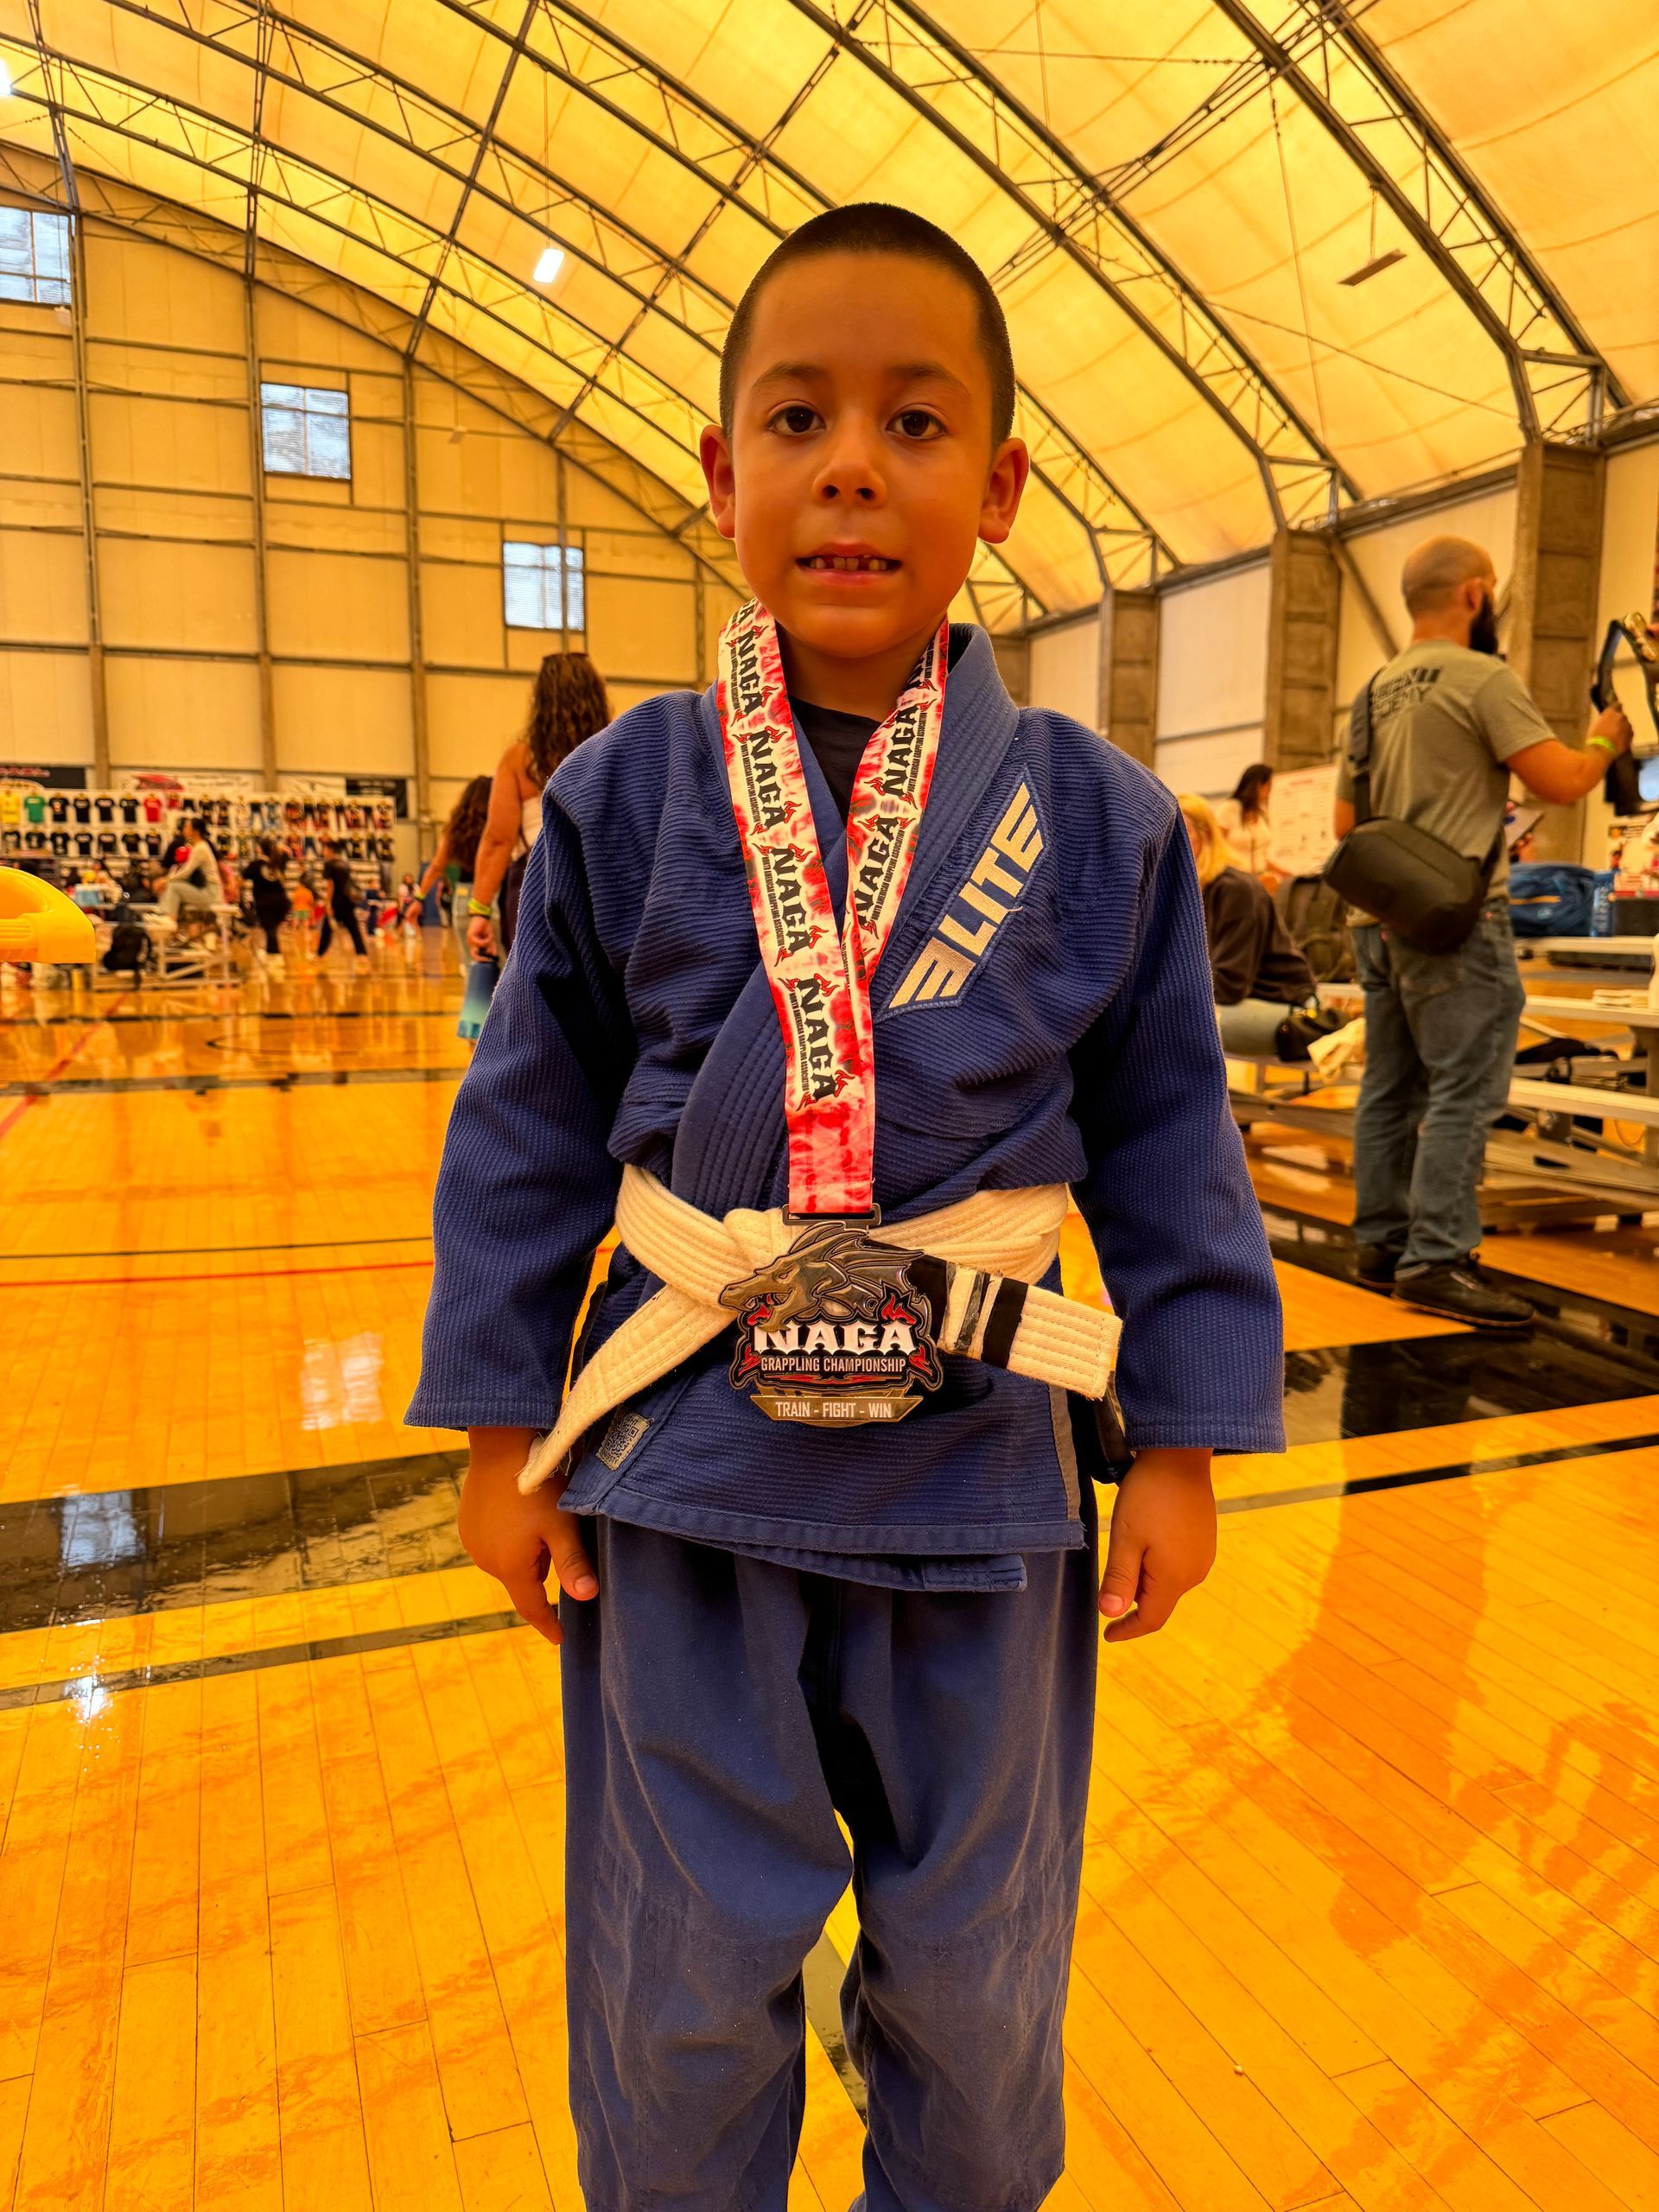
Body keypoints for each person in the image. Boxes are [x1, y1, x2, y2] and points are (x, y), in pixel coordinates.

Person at [409, 203, 1282, 2212]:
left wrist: (1182, 1446)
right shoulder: (628, 793)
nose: (853, 468)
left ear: (1002, 484)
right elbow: (525, 1120)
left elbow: (1170, 1141)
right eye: (798, 419)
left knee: (977, 1986)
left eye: (915, 420)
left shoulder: (1098, 815)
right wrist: (493, 1432)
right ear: (724, 477)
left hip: (980, 1483)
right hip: (678, 1477)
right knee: (680, 1982)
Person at [1335, 533, 1633, 1327]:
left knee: (1389, 1089)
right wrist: (1605, 739)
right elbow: (1561, 781)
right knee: (1466, 1091)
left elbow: (1344, 823)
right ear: (1475, 594)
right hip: (1454, 923)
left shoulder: (1372, 693)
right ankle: (1437, 1259)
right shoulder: (1483, 678)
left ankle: (1382, 1246)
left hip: (1374, 918)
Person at [465, 652, 610, 961]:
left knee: (535, 983)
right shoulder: (613, 748)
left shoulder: (519, 759)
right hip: (604, 879)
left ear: (540, 701)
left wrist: (479, 909)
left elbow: (498, 839)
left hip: (537, 883)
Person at [1179, 794, 1316, 1052]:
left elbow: (1230, 985)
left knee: (1173, 1024)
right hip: (1238, 1000)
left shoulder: (1235, 889)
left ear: (1205, 835)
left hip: (1282, 1002)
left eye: (1181, 833)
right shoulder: (1192, 891)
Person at [418, 776, 497, 1039]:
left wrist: (418, 898)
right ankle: (503, 1032)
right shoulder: (498, 822)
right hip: (492, 893)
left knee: (473, 966)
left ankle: (477, 1032)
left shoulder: (455, 828)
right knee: (506, 965)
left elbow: (436, 866)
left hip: (463, 898)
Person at [1216, 762, 1277, 884]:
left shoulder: (1261, 815)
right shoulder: (1229, 810)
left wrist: (1286, 872)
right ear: (1258, 786)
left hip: (1259, 880)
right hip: (1234, 880)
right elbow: (1215, 846)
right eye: (1269, 787)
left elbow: (1260, 856)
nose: (1270, 792)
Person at [315, 836, 369, 969]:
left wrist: (328, 904)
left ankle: (319, 955)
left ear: (330, 850)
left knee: (327, 929)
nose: (323, 851)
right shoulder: (344, 864)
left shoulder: (329, 864)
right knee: (353, 928)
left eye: (325, 848)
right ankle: (362, 954)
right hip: (348, 900)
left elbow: (330, 886)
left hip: (336, 901)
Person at [156, 817, 222, 923]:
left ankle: (169, 919)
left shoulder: (201, 848)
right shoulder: (194, 846)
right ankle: (164, 914)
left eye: (187, 827)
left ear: (196, 831)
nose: (184, 830)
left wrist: (166, 880)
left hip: (210, 892)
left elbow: (186, 872)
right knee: (170, 885)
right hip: (202, 888)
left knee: (173, 886)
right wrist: (167, 880)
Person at [245, 836, 291, 969]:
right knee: (272, 930)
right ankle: (272, 954)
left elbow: (241, 880)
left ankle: (275, 958)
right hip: (282, 903)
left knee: (270, 930)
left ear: (259, 849)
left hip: (265, 903)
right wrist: (279, 847)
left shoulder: (256, 865)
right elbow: (288, 852)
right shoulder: (278, 861)